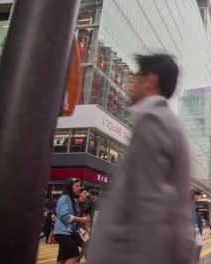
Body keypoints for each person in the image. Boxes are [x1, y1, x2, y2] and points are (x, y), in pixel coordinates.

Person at [87, 54, 194, 264]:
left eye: (136, 77)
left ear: (150, 80)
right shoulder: (169, 124)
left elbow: (149, 209)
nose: (131, 83)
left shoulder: (153, 122)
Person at [53, 178, 90, 264]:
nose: (79, 188)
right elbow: (65, 216)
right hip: (63, 233)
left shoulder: (72, 199)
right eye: (77, 186)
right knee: (74, 255)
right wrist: (81, 219)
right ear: (70, 187)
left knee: (63, 258)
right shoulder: (64, 198)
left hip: (66, 232)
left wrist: (80, 221)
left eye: (79, 186)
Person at [192, 190, 202, 264]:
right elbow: (194, 218)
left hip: (194, 229)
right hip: (193, 230)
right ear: (194, 195)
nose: (198, 197)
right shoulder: (192, 205)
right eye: (197, 195)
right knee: (197, 247)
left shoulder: (193, 205)